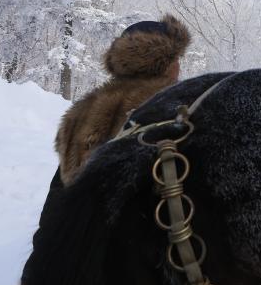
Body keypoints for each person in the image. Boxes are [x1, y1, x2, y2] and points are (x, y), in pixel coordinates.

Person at [54, 15, 191, 185]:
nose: (179, 66)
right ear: (165, 61)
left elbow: (58, 193)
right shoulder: (176, 107)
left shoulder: (77, 115)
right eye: (177, 58)